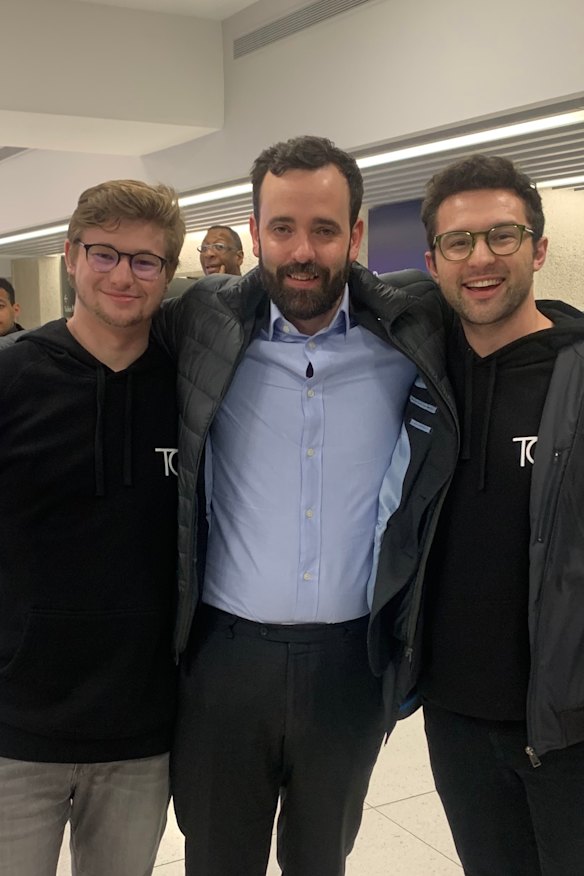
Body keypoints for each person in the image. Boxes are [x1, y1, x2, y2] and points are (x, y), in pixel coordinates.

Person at [153, 134, 451, 876]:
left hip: (351, 662)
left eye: (324, 229)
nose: (302, 250)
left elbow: (505, 318)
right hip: (225, 658)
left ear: (356, 233)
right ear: (255, 234)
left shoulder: (411, 331)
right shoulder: (202, 325)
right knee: (219, 858)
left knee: (323, 859)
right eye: (282, 228)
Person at [382, 154, 584, 876]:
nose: (481, 259)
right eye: (458, 242)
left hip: (568, 726)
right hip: (455, 718)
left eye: (502, 235)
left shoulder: (577, 369)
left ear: (538, 247)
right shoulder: (418, 374)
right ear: (432, 261)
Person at [0, 179, 185, 876]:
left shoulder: (188, 388)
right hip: (16, 727)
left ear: (167, 274)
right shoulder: (12, 378)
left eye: (146, 261)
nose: (123, 276)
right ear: (71, 256)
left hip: (141, 731)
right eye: (105, 254)